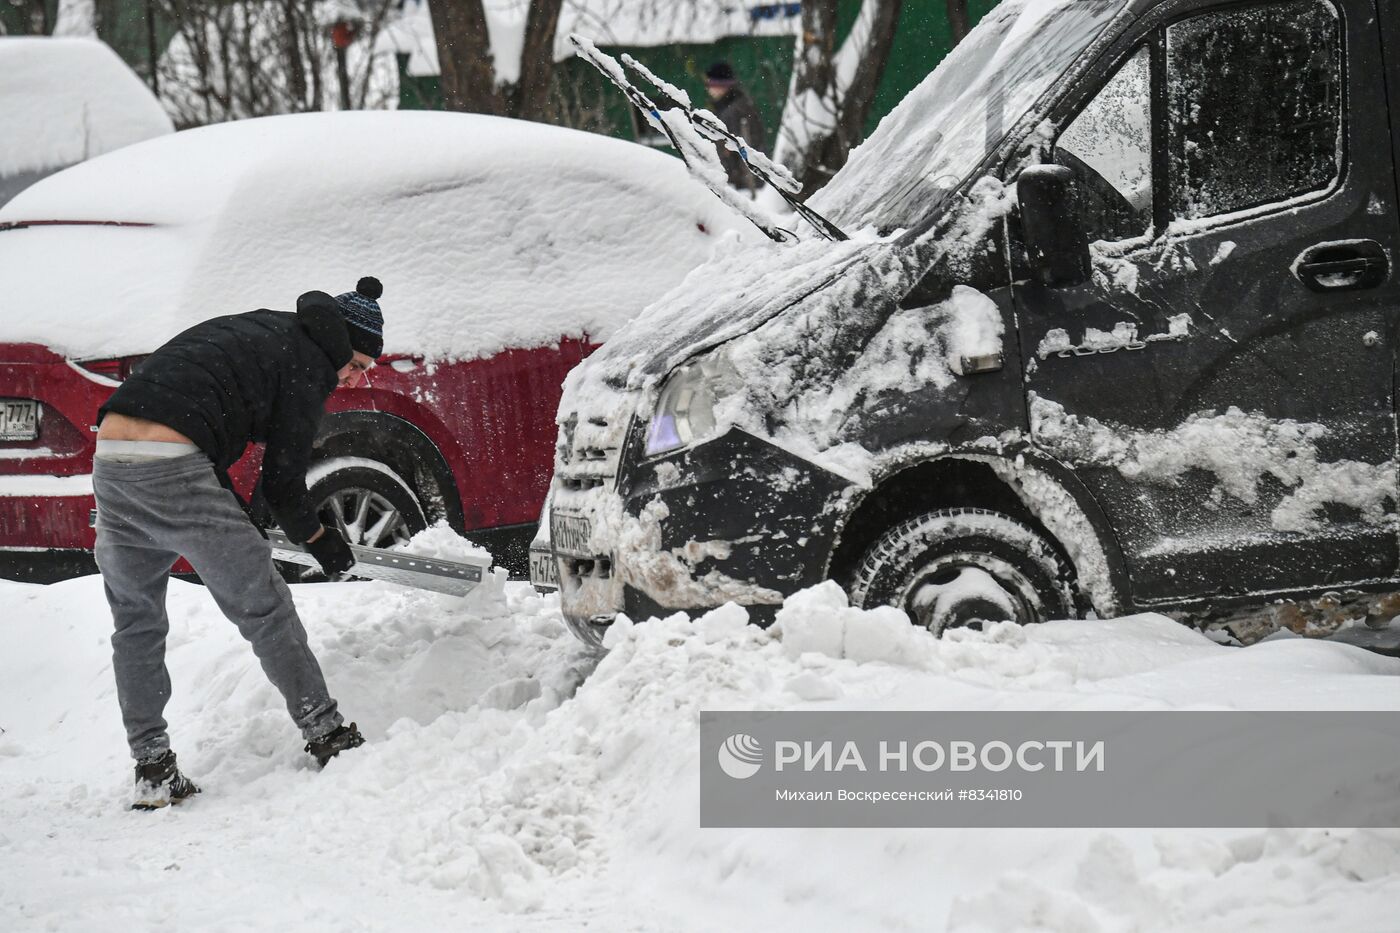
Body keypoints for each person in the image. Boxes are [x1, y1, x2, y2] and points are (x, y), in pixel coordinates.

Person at [92, 277, 386, 809]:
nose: (352, 378)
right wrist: (321, 541)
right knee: (264, 606)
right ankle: (328, 734)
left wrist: (243, 521)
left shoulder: (268, 330)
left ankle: (153, 766)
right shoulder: (311, 362)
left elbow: (205, 431)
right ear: (342, 346)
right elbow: (283, 481)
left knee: (135, 621)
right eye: (358, 365)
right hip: (172, 463)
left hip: (112, 455)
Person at [703, 61, 767, 195]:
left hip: (743, 187)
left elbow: (746, 147)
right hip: (737, 182)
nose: (709, 89)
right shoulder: (730, 107)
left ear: (722, 85)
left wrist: (740, 180)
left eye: (712, 84)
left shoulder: (734, 111)